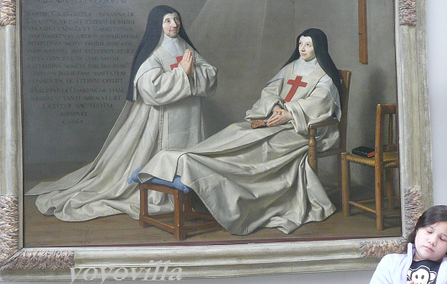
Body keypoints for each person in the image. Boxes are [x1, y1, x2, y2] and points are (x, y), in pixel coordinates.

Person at [136, 28, 343, 235]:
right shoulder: (290, 68)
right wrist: (275, 108)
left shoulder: (324, 76)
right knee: (237, 130)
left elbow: (321, 104)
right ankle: (191, 158)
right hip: (273, 119)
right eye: (301, 44)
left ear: (319, 47)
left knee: (262, 143)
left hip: (300, 130)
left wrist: (290, 114)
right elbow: (270, 91)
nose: (303, 48)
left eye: (308, 44)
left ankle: (205, 172)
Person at [27, 5, 218, 221]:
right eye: (167, 20)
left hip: (190, 116)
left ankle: (187, 190)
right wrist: (182, 74)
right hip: (160, 119)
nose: (174, 24)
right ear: (158, 25)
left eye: (176, 19)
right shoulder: (154, 53)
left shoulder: (185, 47)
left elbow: (211, 74)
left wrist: (191, 73)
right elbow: (150, 89)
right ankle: (160, 192)